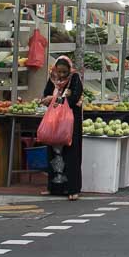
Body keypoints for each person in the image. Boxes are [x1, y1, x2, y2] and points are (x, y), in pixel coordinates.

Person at [40, 55, 83, 200]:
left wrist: (53, 99)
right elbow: (45, 94)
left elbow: (73, 98)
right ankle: (53, 187)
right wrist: (48, 99)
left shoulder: (75, 78)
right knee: (53, 153)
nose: (62, 75)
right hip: (54, 121)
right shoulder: (52, 78)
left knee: (71, 154)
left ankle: (73, 189)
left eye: (65, 72)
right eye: (59, 72)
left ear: (69, 70)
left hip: (70, 121)